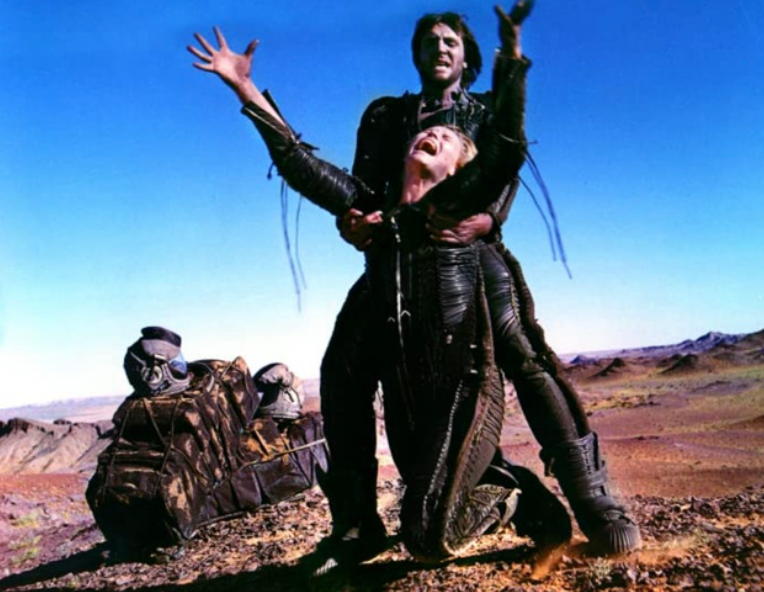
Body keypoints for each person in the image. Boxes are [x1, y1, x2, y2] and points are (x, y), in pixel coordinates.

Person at [188, 0, 639, 567]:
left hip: (467, 254)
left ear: (467, 56)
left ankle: (597, 505)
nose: (440, 48)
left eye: (451, 40)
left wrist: (487, 217)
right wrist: (353, 220)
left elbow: (504, 161)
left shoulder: (487, 109)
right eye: (430, 41)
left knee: (524, 355)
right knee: (342, 371)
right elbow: (344, 183)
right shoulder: (385, 116)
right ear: (416, 55)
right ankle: (355, 523)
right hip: (392, 259)